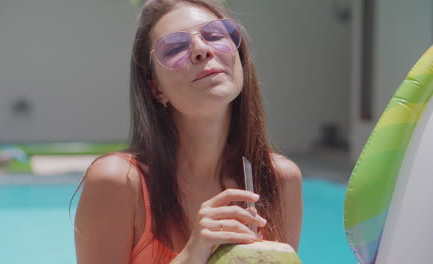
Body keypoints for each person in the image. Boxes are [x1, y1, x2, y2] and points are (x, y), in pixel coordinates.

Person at [73, 0, 302, 263]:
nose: (201, 50)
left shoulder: (279, 180)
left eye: (216, 36)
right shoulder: (119, 182)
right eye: (175, 48)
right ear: (155, 88)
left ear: (239, 59)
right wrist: (191, 255)